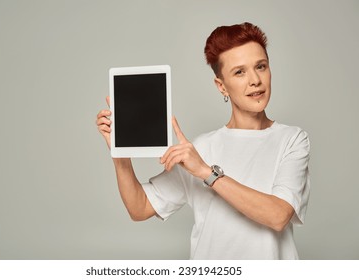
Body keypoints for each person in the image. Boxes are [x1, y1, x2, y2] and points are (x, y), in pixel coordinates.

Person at [96, 22, 310, 259]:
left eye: (261, 66)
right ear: (221, 86)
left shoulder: (292, 139)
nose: (255, 80)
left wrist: (207, 173)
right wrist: (119, 153)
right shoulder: (199, 150)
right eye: (239, 72)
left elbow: (278, 216)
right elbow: (139, 208)